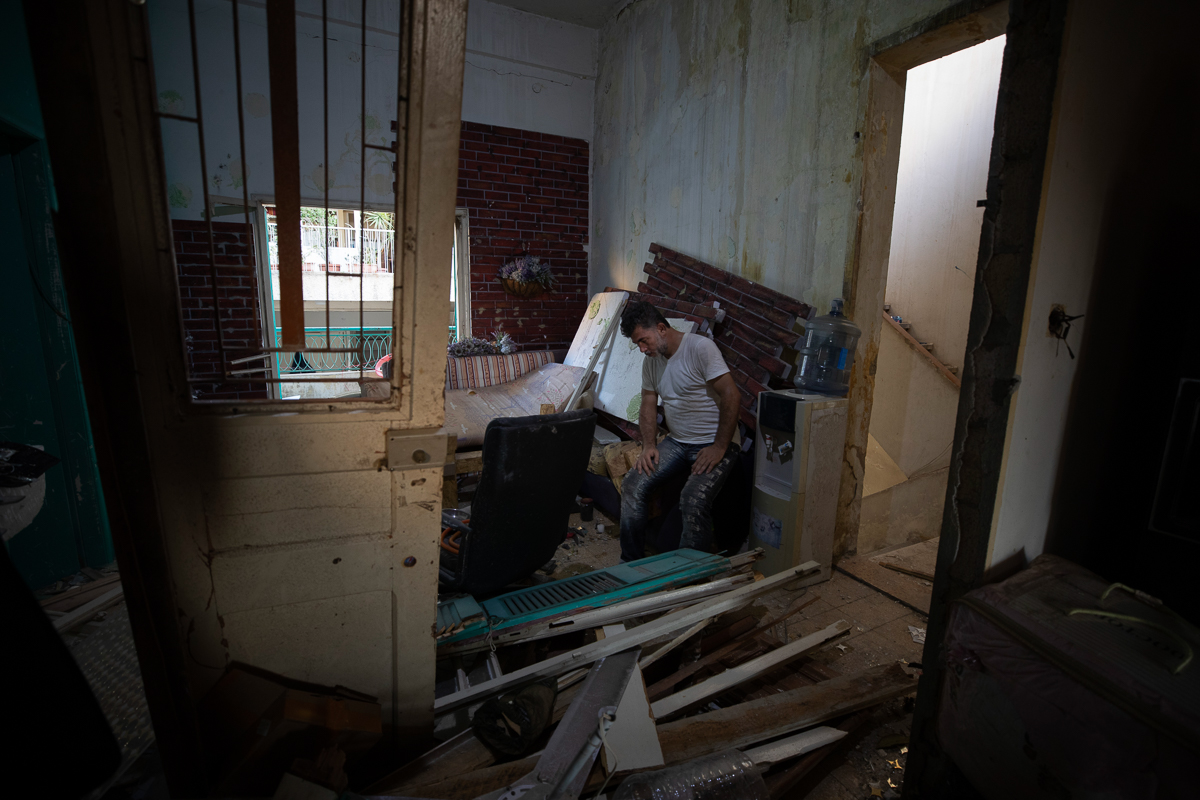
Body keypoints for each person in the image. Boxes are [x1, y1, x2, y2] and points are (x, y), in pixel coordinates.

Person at [618, 300, 741, 562]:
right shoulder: (652, 361)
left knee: (693, 499)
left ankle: (689, 577)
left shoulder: (700, 348)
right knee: (632, 484)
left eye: (643, 340)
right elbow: (648, 405)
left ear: (661, 328)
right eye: (637, 343)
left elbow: (731, 395)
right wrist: (648, 446)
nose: (642, 348)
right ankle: (630, 563)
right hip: (677, 442)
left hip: (715, 441)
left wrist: (719, 447)